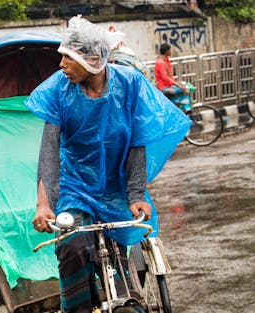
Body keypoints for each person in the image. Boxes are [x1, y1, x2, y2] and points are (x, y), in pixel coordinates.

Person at [25, 16, 191, 312]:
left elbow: (138, 140)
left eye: (67, 57)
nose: (61, 64)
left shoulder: (129, 84)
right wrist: (44, 203)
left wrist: (137, 194)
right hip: (75, 185)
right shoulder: (57, 90)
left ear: (92, 59)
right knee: (74, 245)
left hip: (116, 183)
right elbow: (50, 150)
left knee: (125, 246)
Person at [154, 43, 191, 108]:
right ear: (166, 51)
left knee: (184, 89)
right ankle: (186, 109)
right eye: (170, 50)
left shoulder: (166, 60)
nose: (171, 51)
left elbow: (169, 77)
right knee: (185, 90)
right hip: (164, 88)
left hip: (169, 86)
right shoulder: (160, 62)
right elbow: (165, 77)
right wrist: (178, 85)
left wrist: (177, 83)